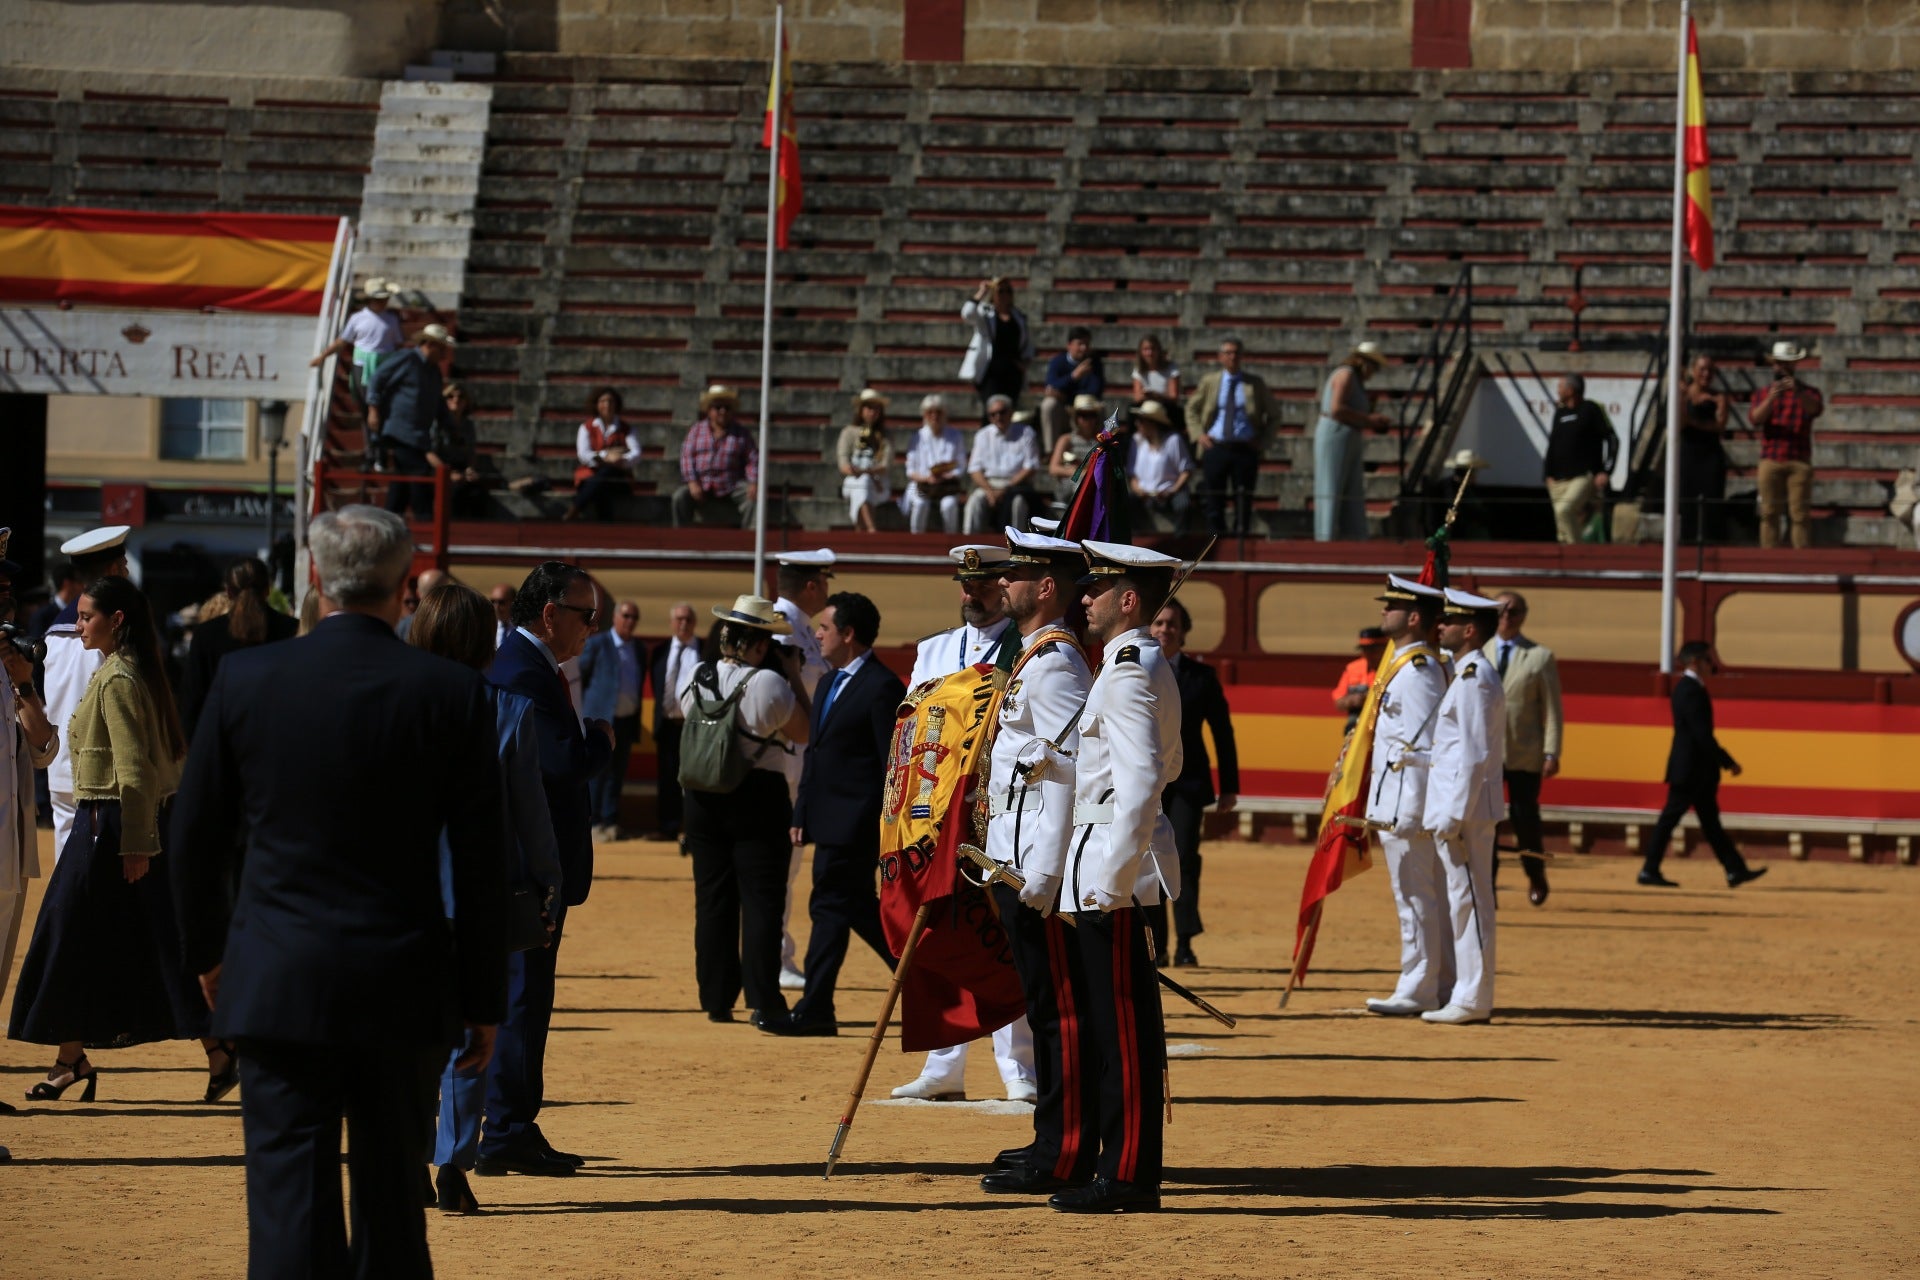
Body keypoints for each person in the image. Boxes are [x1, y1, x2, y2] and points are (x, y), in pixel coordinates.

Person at [169, 505, 507, 1276]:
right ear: (404, 583)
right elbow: (485, 861)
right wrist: (484, 998)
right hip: (403, 979)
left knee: (289, 1206)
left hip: (275, 974)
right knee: (393, 1206)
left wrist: (209, 955)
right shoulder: (451, 693)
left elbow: (195, 836)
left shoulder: (244, 677)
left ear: (315, 579)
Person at [10, 571, 227, 1105]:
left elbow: (132, 771)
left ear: (117, 620)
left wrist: (134, 844)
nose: (78, 624)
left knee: (70, 938)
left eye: (87, 616)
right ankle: (73, 1059)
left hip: (109, 826)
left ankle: (75, 1059)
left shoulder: (119, 677)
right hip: (109, 823)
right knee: (132, 939)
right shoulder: (125, 670)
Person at [406, 582, 563, 1215]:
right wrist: (549, 890)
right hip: (477, 900)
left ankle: (411, 1156)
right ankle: (452, 1164)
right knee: (471, 1039)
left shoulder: (391, 704)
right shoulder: (508, 709)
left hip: (401, 901)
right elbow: (533, 818)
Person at [1045, 539, 1185, 1214]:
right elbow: (1167, 765)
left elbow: (1139, 785)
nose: (1084, 599)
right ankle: (1117, 1165)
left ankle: (1128, 1176)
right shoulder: (1132, 665)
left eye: (1096, 591)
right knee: (1111, 1025)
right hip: (1103, 866)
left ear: (1129, 601)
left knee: (1123, 1031)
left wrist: (1113, 881)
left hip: (1112, 875)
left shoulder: (1130, 671)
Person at [975, 528, 1096, 1194]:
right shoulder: (1033, 657)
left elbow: (1072, 774)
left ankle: (1065, 1148)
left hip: (1036, 875)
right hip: (1014, 864)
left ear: (1046, 588)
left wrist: (1047, 876)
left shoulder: (1055, 666)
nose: (1003, 583)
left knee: (1059, 1014)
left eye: (1015, 575)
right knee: (1044, 1008)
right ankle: (1051, 1138)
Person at [480, 563, 611, 1178]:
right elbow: (558, 765)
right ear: (550, 613)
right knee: (522, 996)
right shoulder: (522, 671)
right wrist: (602, 744)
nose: (594, 626)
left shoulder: (527, 666)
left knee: (528, 998)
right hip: (525, 865)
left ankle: (513, 1123)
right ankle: (504, 1127)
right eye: (586, 614)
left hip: (527, 860)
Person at [894, 543, 1034, 1103]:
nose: (969, 594)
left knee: (1002, 933)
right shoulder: (933, 651)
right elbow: (911, 730)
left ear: (1005, 586)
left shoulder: (1026, 649)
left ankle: (1018, 1065)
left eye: (981, 584)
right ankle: (943, 1062)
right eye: (964, 584)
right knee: (942, 928)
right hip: (936, 816)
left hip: (994, 810)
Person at [763, 592, 905, 1035]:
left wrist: (880, 824)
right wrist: (801, 809)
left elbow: (891, 764)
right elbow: (816, 753)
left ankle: (816, 1007)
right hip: (825, 816)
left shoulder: (882, 686)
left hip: (857, 823)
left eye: (824, 628)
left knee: (827, 905)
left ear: (848, 634)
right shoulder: (826, 683)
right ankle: (920, 974)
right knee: (854, 907)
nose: (817, 635)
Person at [680, 596, 812, 1024]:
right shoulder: (769, 683)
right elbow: (805, 731)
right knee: (761, 901)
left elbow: (679, 712)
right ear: (758, 645)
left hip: (702, 795)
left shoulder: (696, 675)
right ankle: (763, 998)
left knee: (712, 899)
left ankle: (716, 998)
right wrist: (791, 673)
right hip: (757, 796)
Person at [1362, 575, 1451, 1018]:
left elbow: (1430, 748)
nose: (1383, 612)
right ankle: (1433, 981)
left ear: (1414, 618)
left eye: (1391, 607)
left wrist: (1413, 810)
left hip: (1407, 805)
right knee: (1420, 895)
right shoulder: (1410, 665)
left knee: (1415, 897)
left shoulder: (1418, 673)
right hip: (1401, 801)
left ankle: (1418, 986)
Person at [1419, 588, 1507, 1026]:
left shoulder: (1475, 677)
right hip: (1463, 808)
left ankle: (1473, 997)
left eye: (1449, 622)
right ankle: (1466, 992)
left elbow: (1473, 754)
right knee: (1463, 900)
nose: (1440, 626)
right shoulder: (1468, 673)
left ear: (1469, 630)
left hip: (1466, 812)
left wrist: (1453, 815)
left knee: (1470, 900)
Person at [1146, 599, 1238, 969]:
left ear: (1183, 632)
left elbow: (1222, 732)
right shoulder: (1133, 670)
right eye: (1159, 622)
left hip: (1187, 783)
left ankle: (1184, 942)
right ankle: (1156, 945)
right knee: (1146, 861)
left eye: (1172, 624)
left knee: (1183, 858)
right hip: (1146, 782)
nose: (1165, 629)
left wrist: (1229, 784)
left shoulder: (1201, 678)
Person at [1639, 642, 1769, 890]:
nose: (1713, 664)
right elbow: (1702, 736)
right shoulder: (1690, 691)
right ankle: (1649, 869)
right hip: (1691, 771)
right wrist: (1727, 761)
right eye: (1709, 660)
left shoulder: (1689, 689)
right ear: (1696, 662)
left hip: (1693, 770)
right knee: (1675, 821)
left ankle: (1735, 869)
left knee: (1707, 823)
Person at [40, 525, 132, 863]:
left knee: (68, 874)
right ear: (110, 571)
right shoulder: (112, 631)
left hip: (60, 766)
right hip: (101, 772)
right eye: (122, 565)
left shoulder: (53, 632)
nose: (127, 571)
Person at [0, 535, 57, 1041]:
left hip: (9, 848)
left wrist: (24, 684)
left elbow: (43, 750)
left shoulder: (11, 667)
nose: (5, 597)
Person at [772, 549, 835, 989]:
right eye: (825, 581)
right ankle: (774, 956)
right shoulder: (783, 625)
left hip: (798, 757)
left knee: (788, 864)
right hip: (787, 757)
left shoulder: (798, 628)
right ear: (812, 585)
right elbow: (788, 689)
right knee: (781, 862)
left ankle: (774, 953)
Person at [1487, 592, 1560, 907]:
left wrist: (1551, 752)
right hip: (1485, 752)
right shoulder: (1478, 652)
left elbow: (1553, 710)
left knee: (1525, 819)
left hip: (1524, 751)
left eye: (1513, 610)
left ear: (1523, 615)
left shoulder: (1539, 656)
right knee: (1484, 820)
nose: (1507, 615)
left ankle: (1535, 873)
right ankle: (1486, 885)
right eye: (1501, 610)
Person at [179, 559, 298, 740]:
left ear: (228, 592)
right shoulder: (292, 629)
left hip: (224, 745)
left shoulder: (206, 634)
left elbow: (193, 703)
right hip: (278, 743)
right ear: (268, 589)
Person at [1187, 337, 1280, 536]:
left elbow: (1274, 415)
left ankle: (1241, 540)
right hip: (1216, 445)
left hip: (1245, 447)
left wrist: (1264, 441)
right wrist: (1198, 434)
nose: (1232, 357)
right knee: (1214, 498)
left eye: (1236, 352)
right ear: (1220, 357)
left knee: (1243, 498)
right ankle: (1216, 540)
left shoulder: (1255, 384)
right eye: (1228, 353)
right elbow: (1191, 409)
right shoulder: (1210, 382)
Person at [368, 323, 458, 520]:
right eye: (441, 348)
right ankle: (424, 520)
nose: (444, 354)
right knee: (418, 476)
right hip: (401, 430)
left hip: (418, 434)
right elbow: (377, 378)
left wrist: (451, 426)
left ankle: (390, 518)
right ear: (430, 345)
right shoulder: (407, 359)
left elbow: (438, 403)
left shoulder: (433, 371)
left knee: (402, 482)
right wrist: (373, 409)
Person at [1309, 341, 1391, 541]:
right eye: (1374, 367)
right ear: (1364, 362)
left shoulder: (1357, 381)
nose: (1374, 373)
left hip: (1350, 435)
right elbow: (1336, 408)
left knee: (1352, 490)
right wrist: (1368, 420)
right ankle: (1325, 537)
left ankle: (1355, 537)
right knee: (1331, 486)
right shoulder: (1346, 374)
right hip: (1335, 434)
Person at [580, 599, 646, 843]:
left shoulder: (638, 649)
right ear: (616, 617)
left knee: (617, 774)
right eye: (626, 616)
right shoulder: (598, 644)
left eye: (634, 617)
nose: (630, 621)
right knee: (597, 771)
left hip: (626, 719)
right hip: (600, 718)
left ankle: (610, 820)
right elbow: (582, 677)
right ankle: (593, 820)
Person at [1750, 340, 1823, 550]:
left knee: (1799, 514)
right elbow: (1755, 418)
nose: (1782, 367)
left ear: (1794, 366)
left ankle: (1800, 559)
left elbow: (1815, 410)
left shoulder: (1809, 392)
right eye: (1779, 363)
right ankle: (1768, 558)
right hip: (1771, 458)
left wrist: (1797, 393)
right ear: (1773, 365)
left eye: (1787, 363)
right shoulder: (1764, 393)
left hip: (1798, 459)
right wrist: (1771, 399)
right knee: (1769, 513)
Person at [1543, 374, 1617, 545]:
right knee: (1562, 530)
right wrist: (1547, 473)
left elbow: (1612, 439)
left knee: (1564, 511)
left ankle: (1577, 553)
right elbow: (1553, 445)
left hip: (1583, 476)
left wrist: (1606, 471)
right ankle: (1568, 566)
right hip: (1557, 481)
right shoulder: (1559, 413)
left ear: (1570, 390)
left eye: (1560, 387)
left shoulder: (1591, 409)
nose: (1558, 390)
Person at [672, 384, 758, 528]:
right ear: (709, 410)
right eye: (718, 407)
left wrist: (754, 483)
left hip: (731, 484)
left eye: (727, 408)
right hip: (701, 483)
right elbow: (686, 457)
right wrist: (692, 482)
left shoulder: (742, 433)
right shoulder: (696, 431)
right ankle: (681, 537)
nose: (722, 411)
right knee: (679, 497)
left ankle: (751, 540)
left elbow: (752, 459)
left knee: (755, 499)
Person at [650, 603, 701, 844]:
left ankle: (694, 829)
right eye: (679, 619)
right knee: (668, 778)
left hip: (695, 726)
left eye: (688, 619)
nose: (683, 623)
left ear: (694, 623)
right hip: (668, 724)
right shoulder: (660, 652)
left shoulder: (704, 650)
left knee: (695, 778)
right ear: (672, 622)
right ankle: (668, 827)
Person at [959, 277, 1033, 421]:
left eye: (1008, 291)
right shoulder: (986, 314)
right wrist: (981, 292)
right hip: (990, 373)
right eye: (1000, 291)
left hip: (1013, 373)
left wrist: (1026, 363)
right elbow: (967, 313)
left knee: (1009, 413)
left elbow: (1026, 344)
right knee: (992, 411)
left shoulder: (1019, 317)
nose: (1005, 295)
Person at [964, 395, 1040, 534]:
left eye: (1002, 412)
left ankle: (1017, 544)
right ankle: (970, 544)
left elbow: (1031, 466)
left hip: (1017, 485)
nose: (998, 417)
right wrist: (989, 491)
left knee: (1018, 503)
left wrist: (1007, 488)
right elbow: (974, 469)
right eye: (993, 414)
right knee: (974, 501)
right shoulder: (982, 435)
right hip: (989, 484)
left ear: (1010, 412)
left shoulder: (1026, 433)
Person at [1679, 354, 1730, 543]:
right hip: (1688, 453)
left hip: (1710, 455)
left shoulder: (1718, 397)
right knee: (1687, 503)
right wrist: (1682, 399)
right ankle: (1687, 545)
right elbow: (1679, 424)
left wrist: (1693, 422)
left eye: (1710, 370)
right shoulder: (1683, 395)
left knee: (1712, 502)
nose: (1706, 374)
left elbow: (1719, 426)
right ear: (1694, 371)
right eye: (1702, 369)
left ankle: (1713, 544)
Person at [566, 386, 636, 522]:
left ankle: (574, 509)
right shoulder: (586, 427)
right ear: (596, 404)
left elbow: (636, 453)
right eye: (603, 401)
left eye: (611, 401)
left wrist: (617, 459)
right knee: (602, 485)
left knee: (607, 473)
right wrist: (607, 455)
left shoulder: (627, 428)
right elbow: (583, 455)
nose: (607, 405)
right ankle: (606, 524)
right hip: (590, 476)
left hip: (618, 478)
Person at [902, 394, 968, 534]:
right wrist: (927, 478)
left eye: (938, 412)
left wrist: (946, 476)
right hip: (921, 484)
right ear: (924, 415)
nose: (934, 416)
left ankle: (951, 542)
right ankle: (916, 540)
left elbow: (961, 466)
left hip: (946, 485)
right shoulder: (917, 437)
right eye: (930, 412)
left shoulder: (955, 436)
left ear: (944, 414)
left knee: (949, 505)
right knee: (920, 503)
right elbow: (910, 470)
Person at [1127, 400, 1193, 532]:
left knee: (1183, 505)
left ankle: (1181, 543)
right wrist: (1139, 491)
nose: (1137, 424)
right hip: (1145, 495)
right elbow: (1132, 475)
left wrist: (1172, 491)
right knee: (1126, 502)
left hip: (1171, 492)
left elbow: (1186, 470)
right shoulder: (1136, 441)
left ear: (1152, 423)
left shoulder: (1173, 440)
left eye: (1141, 420)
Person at [837, 389, 895, 532]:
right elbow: (843, 462)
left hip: (879, 482)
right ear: (861, 410)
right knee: (862, 483)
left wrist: (866, 472)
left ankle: (861, 530)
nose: (872, 412)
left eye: (876, 408)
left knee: (864, 483)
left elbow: (885, 465)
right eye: (869, 408)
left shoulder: (886, 435)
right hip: (853, 480)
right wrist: (857, 471)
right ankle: (871, 528)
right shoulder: (848, 432)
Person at [1041, 326, 1106, 450]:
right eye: (1080, 344)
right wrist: (1073, 377)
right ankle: (1051, 452)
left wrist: (1066, 395)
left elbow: (1096, 390)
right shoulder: (1057, 362)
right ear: (1069, 345)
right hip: (1064, 411)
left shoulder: (1094, 363)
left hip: (1083, 410)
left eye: (1086, 344)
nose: (1084, 348)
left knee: (1100, 407)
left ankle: (1097, 450)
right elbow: (1050, 386)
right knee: (1048, 405)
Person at [434, 382, 489, 520]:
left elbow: (470, 452)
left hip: (461, 467)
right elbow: (430, 452)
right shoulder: (437, 424)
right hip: (440, 468)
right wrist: (448, 473)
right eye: (450, 396)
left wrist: (470, 469)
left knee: (477, 490)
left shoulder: (468, 425)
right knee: (454, 491)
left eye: (460, 397)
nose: (456, 400)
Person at [1047, 395, 1104, 510]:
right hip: (1068, 485)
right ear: (1076, 418)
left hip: (1094, 485)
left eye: (1091, 415)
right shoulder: (1066, 440)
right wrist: (1079, 473)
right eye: (1083, 415)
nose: (1088, 420)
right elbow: (1053, 468)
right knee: (1080, 485)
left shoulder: (1102, 441)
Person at [1332, 626, 1389, 733]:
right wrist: (1352, 700)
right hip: (1356, 726)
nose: (1368, 654)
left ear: (1385, 648)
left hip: (1384, 726)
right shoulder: (1353, 668)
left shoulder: (1392, 669)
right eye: (1364, 649)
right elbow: (1338, 702)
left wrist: (1369, 698)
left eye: (1373, 649)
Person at [1130, 333, 1182, 420]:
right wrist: (1147, 396)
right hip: (1145, 404)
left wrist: (1157, 396)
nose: (1150, 353)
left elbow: (1174, 396)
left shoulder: (1171, 368)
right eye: (1146, 349)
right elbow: (1137, 397)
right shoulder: (1138, 370)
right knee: (1131, 409)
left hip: (1165, 405)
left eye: (1152, 349)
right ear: (1141, 352)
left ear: (1158, 350)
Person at [488, 582, 515, 649]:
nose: (496, 607)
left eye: (501, 602)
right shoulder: (487, 627)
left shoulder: (523, 628)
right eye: (493, 602)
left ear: (513, 602)